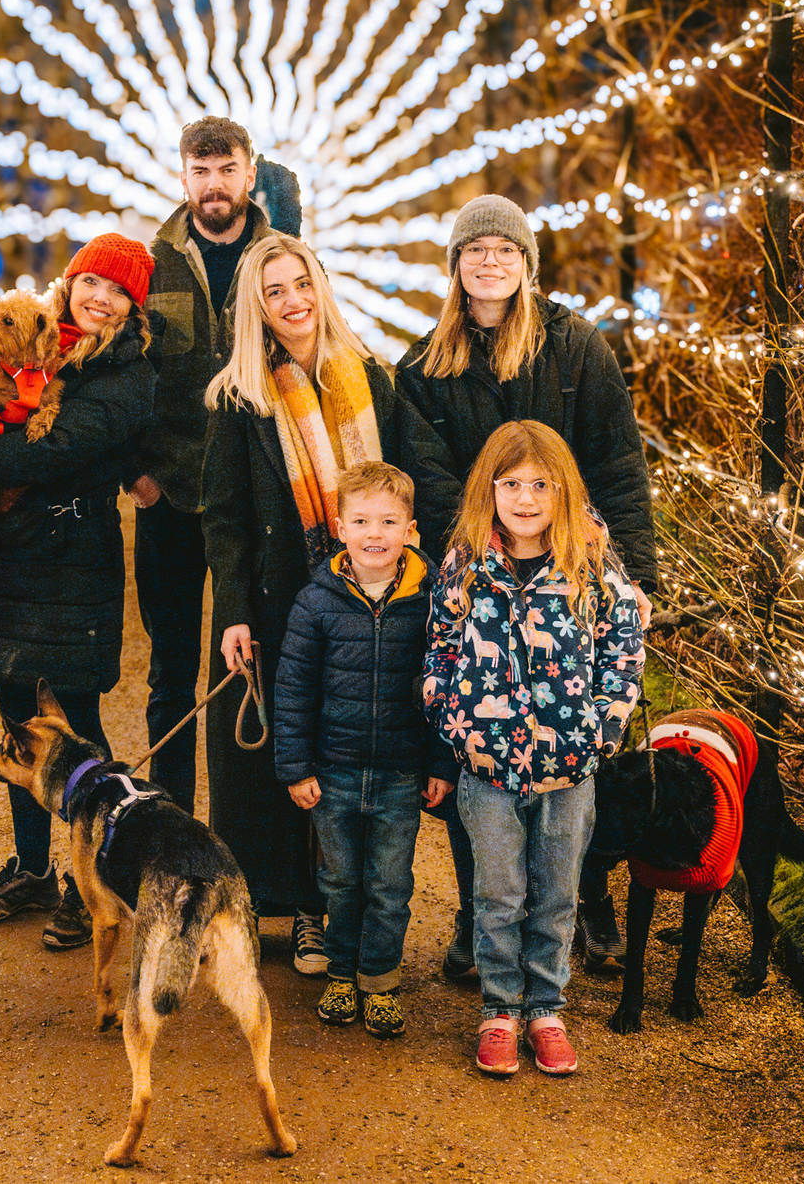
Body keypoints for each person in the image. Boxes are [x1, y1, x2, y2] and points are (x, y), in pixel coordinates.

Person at [395, 193, 657, 977]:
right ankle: (482, 922)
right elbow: (430, 477)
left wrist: (634, 574)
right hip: (479, 575)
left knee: (573, 745)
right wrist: (474, 549)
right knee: (481, 750)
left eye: (505, 250)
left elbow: (617, 461)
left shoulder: (575, 346)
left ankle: (587, 905)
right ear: (455, 265)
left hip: (572, 570)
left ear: (526, 264)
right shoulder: (425, 366)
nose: (490, 261)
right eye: (475, 250)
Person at [0, 233, 156, 950]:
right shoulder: (26, 340)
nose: (101, 298)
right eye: (92, 282)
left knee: (78, 728)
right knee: (16, 721)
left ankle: (89, 876)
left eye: (118, 292)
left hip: (71, 565)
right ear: (71, 281)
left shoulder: (126, 375)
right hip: (7, 558)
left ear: (132, 308)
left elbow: (55, 452)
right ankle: (31, 866)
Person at [421, 420, 642, 1078]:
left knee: (556, 893)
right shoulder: (465, 563)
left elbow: (622, 651)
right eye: (511, 484)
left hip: (568, 769)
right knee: (497, 893)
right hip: (487, 768)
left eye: (540, 485)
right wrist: (452, 716)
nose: (525, 498)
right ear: (490, 490)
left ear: (562, 490)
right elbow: (440, 647)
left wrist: (601, 728)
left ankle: (546, 1007)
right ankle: (499, 1009)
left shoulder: (591, 563)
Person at [201, 234, 397, 975]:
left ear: (321, 285)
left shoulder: (373, 378)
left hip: (365, 602)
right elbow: (222, 517)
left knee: (342, 755)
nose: (293, 301)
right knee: (267, 760)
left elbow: (411, 485)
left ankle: (322, 912)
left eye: (301, 283)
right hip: (280, 602)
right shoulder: (237, 397)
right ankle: (252, 905)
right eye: (274, 290)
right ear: (257, 306)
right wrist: (234, 613)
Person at [128, 118, 295, 814]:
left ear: (249, 174)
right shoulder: (151, 262)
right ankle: (169, 825)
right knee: (171, 671)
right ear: (183, 177)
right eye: (200, 171)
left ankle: (246, 829)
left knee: (249, 661)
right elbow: (120, 371)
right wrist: (134, 472)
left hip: (251, 500)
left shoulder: (281, 258)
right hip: (168, 494)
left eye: (226, 169)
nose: (214, 184)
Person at [274, 462, 455, 1038]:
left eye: (387, 520)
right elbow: (293, 690)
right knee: (340, 881)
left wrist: (441, 764)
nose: (374, 533)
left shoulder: (433, 601)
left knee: (390, 885)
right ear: (340, 528)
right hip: (335, 773)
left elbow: (446, 687)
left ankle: (379, 980)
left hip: (402, 774)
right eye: (361, 521)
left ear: (411, 529)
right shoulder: (317, 601)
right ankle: (341, 973)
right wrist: (296, 767)